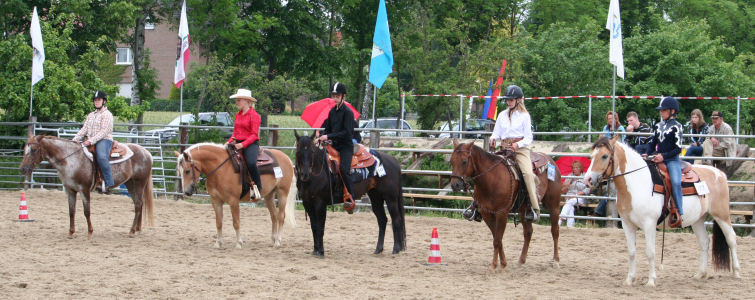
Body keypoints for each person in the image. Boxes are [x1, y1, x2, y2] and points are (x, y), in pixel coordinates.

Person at [482, 85, 541, 221]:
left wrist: (517, 144)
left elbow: (528, 137)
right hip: (503, 148)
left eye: (511, 100)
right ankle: (478, 206)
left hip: (520, 150)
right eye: (508, 100)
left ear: (519, 100)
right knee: (487, 169)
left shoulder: (525, 116)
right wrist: (492, 138)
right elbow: (496, 132)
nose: (509, 102)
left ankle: (534, 207)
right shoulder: (502, 115)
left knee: (527, 173)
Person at [643, 96, 684, 226]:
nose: (661, 112)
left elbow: (678, 149)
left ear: (672, 111)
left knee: (676, 182)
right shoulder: (658, 126)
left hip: (672, 160)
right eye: (661, 110)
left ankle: (679, 211)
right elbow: (652, 142)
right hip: (658, 158)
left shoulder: (678, 127)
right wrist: (647, 153)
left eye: (663, 110)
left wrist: (663, 157)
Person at [318, 82, 356, 207]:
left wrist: (328, 136)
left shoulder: (348, 112)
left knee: (344, 169)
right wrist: (320, 136)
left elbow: (347, 132)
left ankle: (350, 197)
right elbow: (328, 128)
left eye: (337, 96)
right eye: (333, 95)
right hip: (333, 144)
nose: (335, 98)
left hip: (345, 146)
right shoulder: (332, 111)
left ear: (343, 96)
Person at [73, 90, 116, 193]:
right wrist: (75, 140)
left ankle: (109, 183)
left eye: (99, 100)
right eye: (95, 100)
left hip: (104, 140)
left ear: (104, 101)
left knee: (101, 157)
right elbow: (84, 129)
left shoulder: (107, 114)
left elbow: (104, 131)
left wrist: (91, 141)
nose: (96, 102)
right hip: (91, 140)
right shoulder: (91, 115)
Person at [226, 88, 262, 200]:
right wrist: (229, 142)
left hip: (250, 144)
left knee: (251, 163)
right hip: (237, 143)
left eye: (239, 100)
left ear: (247, 101)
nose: (237, 103)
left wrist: (243, 144)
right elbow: (235, 133)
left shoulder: (254, 115)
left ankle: (258, 187)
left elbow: (254, 135)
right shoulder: (238, 115)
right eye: (237, 100)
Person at [559, 160, 590, 227]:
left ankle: (560, 219)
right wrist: (568, 184)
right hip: (569, 196)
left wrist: (575, 195)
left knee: (570, 202)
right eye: (573, 168)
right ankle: (570, 226)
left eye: (577, 168)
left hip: (580, 197)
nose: (575, 169)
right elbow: (563, 190)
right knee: (571, 207)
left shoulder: (585, 176)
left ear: (580, 168)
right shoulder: (570, 176)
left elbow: (587, 190)